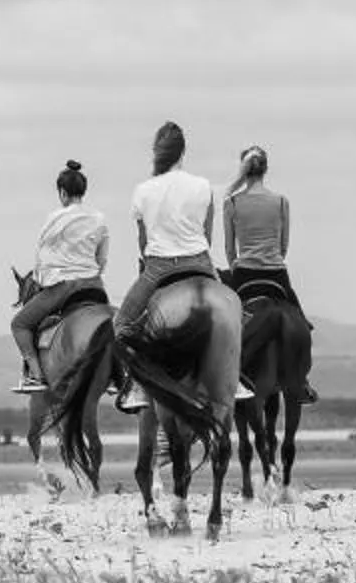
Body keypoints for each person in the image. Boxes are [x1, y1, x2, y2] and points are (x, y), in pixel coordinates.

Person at [115, 121, 215, 414]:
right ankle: (235, 380)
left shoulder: (143, 190)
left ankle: (135, 386)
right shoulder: (203, 186)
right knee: (237, 314)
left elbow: (143, 242)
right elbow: (208, 236)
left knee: (120, 326)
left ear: (156, 154)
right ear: (183, 152)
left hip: (159, 267)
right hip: (200, 262)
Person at [223, 144, 318, 403]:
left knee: (227, 328)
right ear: (266, 170)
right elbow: (284, 245)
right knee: (301, 323)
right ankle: (302, 381)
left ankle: (228, 376)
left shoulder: (231, 202)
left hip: (244, 274)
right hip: (277, 274)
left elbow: (229, 250)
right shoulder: (281, 202)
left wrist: (238, 265)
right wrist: (271, 260)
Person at [10, 159, 108, 393]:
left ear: (62, 193)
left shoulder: (53, 219)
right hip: (96, 287)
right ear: (83, 191)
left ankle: (35, 376)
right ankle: (119, 376)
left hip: (64, 287)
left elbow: (43, 259)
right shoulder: (99, 219)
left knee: (20, 324)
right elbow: (102, 260)